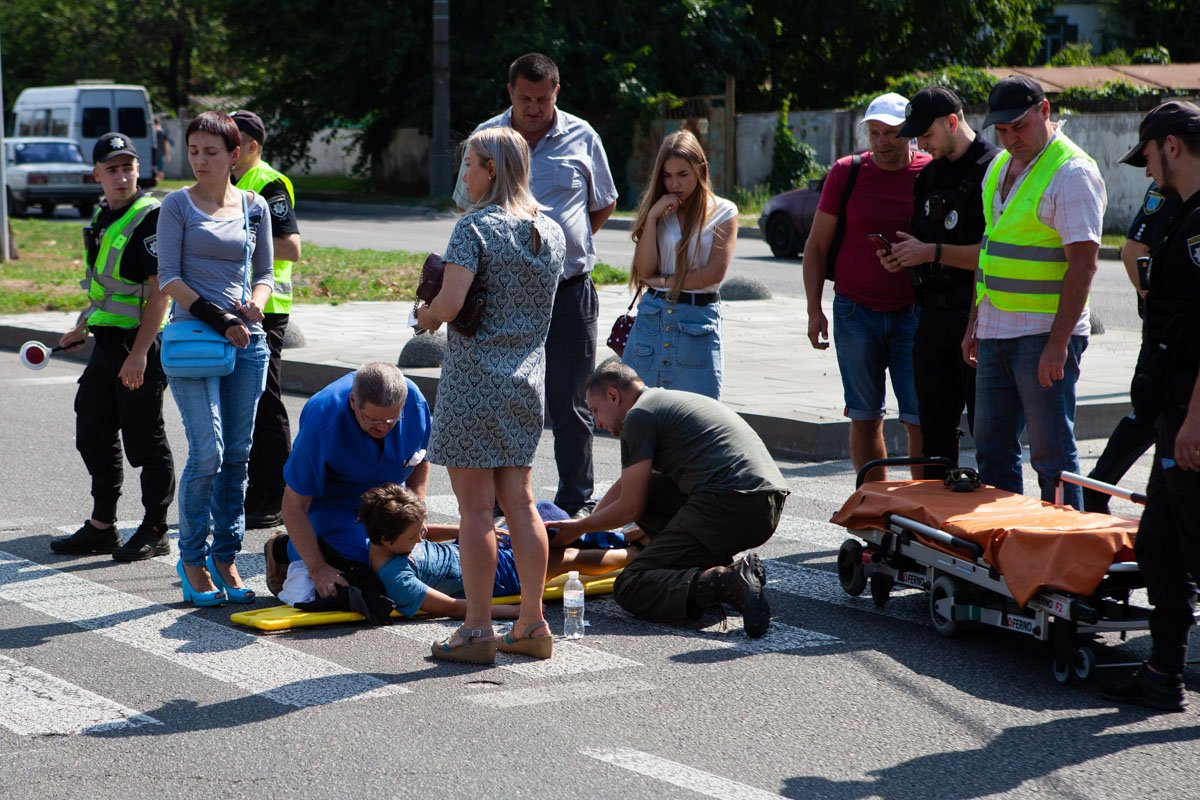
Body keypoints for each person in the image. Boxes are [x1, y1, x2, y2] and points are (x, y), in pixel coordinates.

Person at [418, 125, 566, 664]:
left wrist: (426, 315)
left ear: (492, 170)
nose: (466, 174)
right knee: (523, 506)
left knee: (475, 512)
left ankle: (477, 630)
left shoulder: (473, 229)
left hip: (473, 384)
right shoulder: (550, 232)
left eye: (471, 165)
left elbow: (452, 305)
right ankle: (532, 623)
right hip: (526, 382)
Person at [455, 52, 619, 517]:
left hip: (568, 291)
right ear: (510, 93)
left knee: (572, 400)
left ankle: (573, 504)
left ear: (556, 93)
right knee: (504, 396)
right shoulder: (488, 139)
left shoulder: (582, 136)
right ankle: (504, 507)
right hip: (503, 297)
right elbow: (467, 202)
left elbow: (601, 204)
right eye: (524, 99)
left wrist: (562, 247)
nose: (533, 108)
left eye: (542, 100)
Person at [550, 362, 790, 638]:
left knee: (631, 584)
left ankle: (724, 580)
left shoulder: (638, 418)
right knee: (651, 490)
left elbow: (630, 506)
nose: (597, 422)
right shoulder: (659, 403)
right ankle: (721, 570)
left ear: (613, 396)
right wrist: (583, 528)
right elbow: (628, 487)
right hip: (761, 504)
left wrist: (580, 529)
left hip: (729, 503)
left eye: (594, 410)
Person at [964, 76, 1106, 509]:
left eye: (1018, 127)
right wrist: (974, 321)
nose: (1010, 138)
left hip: (1044, 334)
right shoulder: (997, 167)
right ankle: (1006, 550)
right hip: (996, 328)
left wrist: (1058, 344)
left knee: (1051, 456)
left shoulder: (1072, 171)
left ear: (1045, 112)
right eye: (1002, 131)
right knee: (991, 447)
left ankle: (1064, 554)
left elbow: (1083, 264)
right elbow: (989, 251)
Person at [1100, 100, 1200, 713]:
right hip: (1172, 409)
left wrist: (1194, 420)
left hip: (1192, 414)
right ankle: (1165, 675)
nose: (1146, 171)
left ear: (1172, 144)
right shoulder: (1182, 215)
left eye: (1149, 157)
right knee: (1161, 546)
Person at [157, 110, 274, 607]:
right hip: (193, 339)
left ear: (235, 155)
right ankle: (191, 560)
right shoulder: (176, 206)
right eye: (194, 150)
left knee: (238, 455)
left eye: (211, 152)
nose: (200, 160)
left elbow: (267, 271)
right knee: (208, 450)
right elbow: (168, 279)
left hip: (247, 341)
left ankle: (226, 557)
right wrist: (218, 317)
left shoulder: (254, 206)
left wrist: (256, 306)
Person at [48, 133, 175, 562]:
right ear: (96, 174)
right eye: (112, 168)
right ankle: (103, 527)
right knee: (93, 431)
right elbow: (107, 290)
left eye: (128, 167)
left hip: (140, 344)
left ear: (139, 169)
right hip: (107, 343)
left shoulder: (150, 217)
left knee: (145, 441)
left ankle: (156, 529)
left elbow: (161, 293)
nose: (122, 176)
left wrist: (140, 353)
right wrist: (82, 325)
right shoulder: (104, 215)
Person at [803, 92, 931, 481]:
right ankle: (874, 509)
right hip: (856, 311)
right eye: (874, 133)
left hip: (915, 312)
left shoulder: (930, 171)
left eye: (891, 133)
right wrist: (814, 309)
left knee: (919, 417)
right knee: (863, 415)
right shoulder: (848, 171)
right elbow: (817, 244)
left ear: (909, 133)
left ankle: (920, 512)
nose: (881, 142)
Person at [878, 87, 1000, 477]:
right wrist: (903, 258)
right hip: (930, 319)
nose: (920, 144)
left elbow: (993, 254)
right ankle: (935, 534)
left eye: (926, 135)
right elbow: (924, 237)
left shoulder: (993, 169)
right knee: (934, 439)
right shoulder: (929, 174)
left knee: (989, 436)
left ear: (952, 122)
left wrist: (931, 252)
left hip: (976, 318)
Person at [272, 363, 432, 602]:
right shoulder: (322, 416)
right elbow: (294, 504)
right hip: (331, 506)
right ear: (353, 402)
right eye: (373, 420)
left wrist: (415, 514)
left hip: (386, 501)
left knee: (412, 563)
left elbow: (420, 459)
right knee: (362, 569)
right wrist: (318, 568)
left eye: (393, 420)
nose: (383, 428)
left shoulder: (415, 402)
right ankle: (282, 548)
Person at [361, 484, 633, 619]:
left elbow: (428, 530)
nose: (421, 536)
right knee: (566, 558)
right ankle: (636, 555)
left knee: (546, 517)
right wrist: (517, 611)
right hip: (498, 575)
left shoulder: (382, 540)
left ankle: (624, 537)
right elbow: (454, 607)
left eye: (418, 531)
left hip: (477, 547)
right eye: (413, 537)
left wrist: (470, 530)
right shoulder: (398, 580)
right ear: (386, 540)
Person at [1082, 181, 1181, 513]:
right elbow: (1133, 250)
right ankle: (1099, 486)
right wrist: (1160, 310)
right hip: (1173, 334)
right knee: (1151, 412)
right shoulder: (1174, 180)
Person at [623, 130, 737, 399]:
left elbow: (712, 275)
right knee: (639, 414)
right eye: (667, 175)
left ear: (700, 169)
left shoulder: (723, 211)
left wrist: (665, 282)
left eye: (682, 175)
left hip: (696, 320)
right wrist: (651, 217)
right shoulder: (659, 209)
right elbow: (645, 270)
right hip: (653, 317)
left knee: (698, 416)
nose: (674, 184)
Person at [231, 110, 303, 530]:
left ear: (253, 147)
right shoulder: (232, 183)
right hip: (237, 305)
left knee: (265, 400)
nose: (229, 151)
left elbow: (291, 247)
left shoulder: (267, 182)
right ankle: (255, 491)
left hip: (267, 305)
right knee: (247, 400)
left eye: (236, 143)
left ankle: (275, 494)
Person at [152, 115, 171, 183]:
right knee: (160, 169)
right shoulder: (162, 132)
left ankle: (158, 181)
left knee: (156, 169)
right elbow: (166, 144)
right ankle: (160, 181)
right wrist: (168, 155)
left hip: (153, 153)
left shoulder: (152, 132)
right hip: (161, 153)